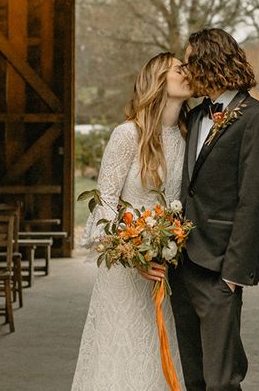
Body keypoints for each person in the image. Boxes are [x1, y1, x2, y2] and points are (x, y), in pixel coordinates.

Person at [72, 52, 192, 391]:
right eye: (179, 69)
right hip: (126, 267)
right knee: (121, 354)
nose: (188, 73)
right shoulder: (128, 134)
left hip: (166, 266)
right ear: (158, 79)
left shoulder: (187, 136)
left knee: (158, 351)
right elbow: (106, 199)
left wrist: (168, 246)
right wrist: (132, 254)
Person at [170, 28, 259, 391]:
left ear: (209, 62)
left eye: (189, 63)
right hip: (182, 262)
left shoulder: (257, 118)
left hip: (220, 266)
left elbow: (255, 200)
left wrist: (234, 274)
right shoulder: (196, 114)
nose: (185, 71)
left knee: (222, 378)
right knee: (195, 374)